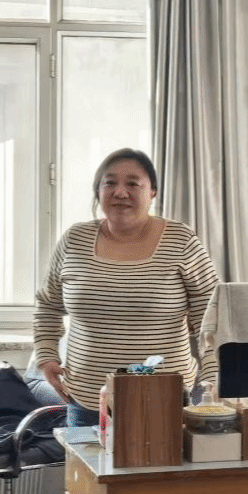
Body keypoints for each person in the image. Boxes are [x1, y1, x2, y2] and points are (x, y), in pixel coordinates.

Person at [32, 148, 220, 427]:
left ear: (152, 192)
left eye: (133, 183)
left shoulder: (180, 240)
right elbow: (47, 305)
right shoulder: (74, 240)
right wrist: (46, 355)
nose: (120, 193)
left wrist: (213, 377)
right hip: (87, 401)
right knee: (86, 459)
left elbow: (213, 316)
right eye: (110, 183)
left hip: (165, 400)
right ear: (98, 190)